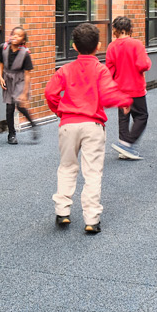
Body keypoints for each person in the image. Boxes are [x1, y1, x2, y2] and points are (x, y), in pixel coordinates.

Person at [45, 22, 126, 235]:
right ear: (98, 46)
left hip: (68, 124)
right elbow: (109, 95)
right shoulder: (101, 70)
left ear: (74, 45)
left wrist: (60, 112)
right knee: (92, 172)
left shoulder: (65, 69)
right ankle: (91, 219)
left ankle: (62, 211)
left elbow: (50, 93)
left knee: (67, 167)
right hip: (93, 125)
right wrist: (125, 100)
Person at [104, 16, 151, 160]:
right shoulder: (136, 44)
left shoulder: (111, 46)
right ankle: (128, 143)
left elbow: (109, 70)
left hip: (120, 88)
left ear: (115, 31)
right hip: (135, 88)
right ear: (130, 30)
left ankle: (123, 146)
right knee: (142, 116)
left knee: (123, 118)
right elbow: (143, 65)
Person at [0, 25, 37, 144]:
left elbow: (27, 75)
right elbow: (1, 64)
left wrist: (25, 93)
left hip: (20, 80)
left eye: (19, 35)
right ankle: (11, 134)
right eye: (14, 34)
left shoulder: (25, 54)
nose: (15, 36)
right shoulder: (3, 48)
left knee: (19, 105)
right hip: (8, 79)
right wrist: (0, 77)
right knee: (9, 108)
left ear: (23, 40)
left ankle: (33, 125)